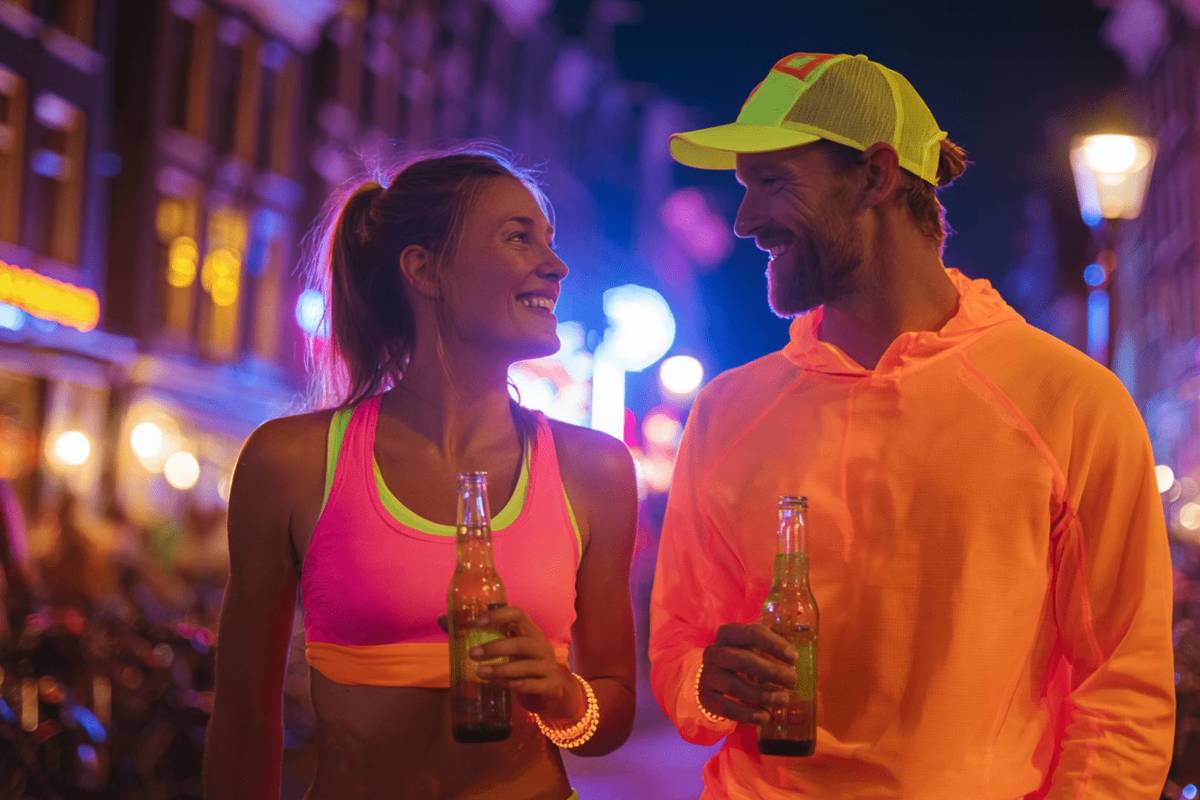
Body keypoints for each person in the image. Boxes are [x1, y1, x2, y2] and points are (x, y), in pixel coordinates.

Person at [649, 52, 1175, 798]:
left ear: (874, 176)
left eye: (772, 183)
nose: (745, 220)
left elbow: (1123, 689)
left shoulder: (1069, 400)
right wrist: (707, 681)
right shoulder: (727, 411)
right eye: (744, 187)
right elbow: (677, 647)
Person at [204, 146, 638, 799]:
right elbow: (242, 720)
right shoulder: (292, 464)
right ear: (424, 268)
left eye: (549, 242)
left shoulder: (595, 470)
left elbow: (614, 715)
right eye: (520, 239)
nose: (556, 266)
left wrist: (566, 698)